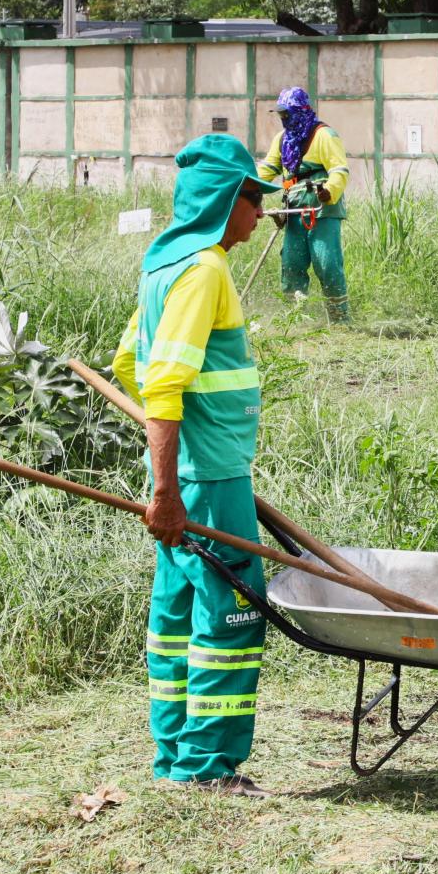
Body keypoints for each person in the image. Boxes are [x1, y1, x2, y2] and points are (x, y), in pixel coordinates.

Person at [112, 133, 280, 798]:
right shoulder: (204, 269)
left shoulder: (161, 267)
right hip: (208, 479)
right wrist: (168, 488)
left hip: (190, 477)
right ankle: (209, 764)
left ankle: (176, 757)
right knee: (232, 614)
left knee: (178, 611)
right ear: (222, 200)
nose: (260, 214)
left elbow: (130, 363)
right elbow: (163, 380)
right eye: (252, 198)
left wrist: (167, 477)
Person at [257, 87, 351, 322]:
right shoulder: (282, 140)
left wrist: (329, 190)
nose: (284, 120)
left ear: (300, 111)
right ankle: (295, 319)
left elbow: (339, 169)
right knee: (292, 263)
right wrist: (248, 187)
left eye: (287, 115)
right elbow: (268, 169)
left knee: (326, 262)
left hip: (322, 208)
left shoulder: (325, 135)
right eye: (281, 115)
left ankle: (339, 319)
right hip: (294, 207)